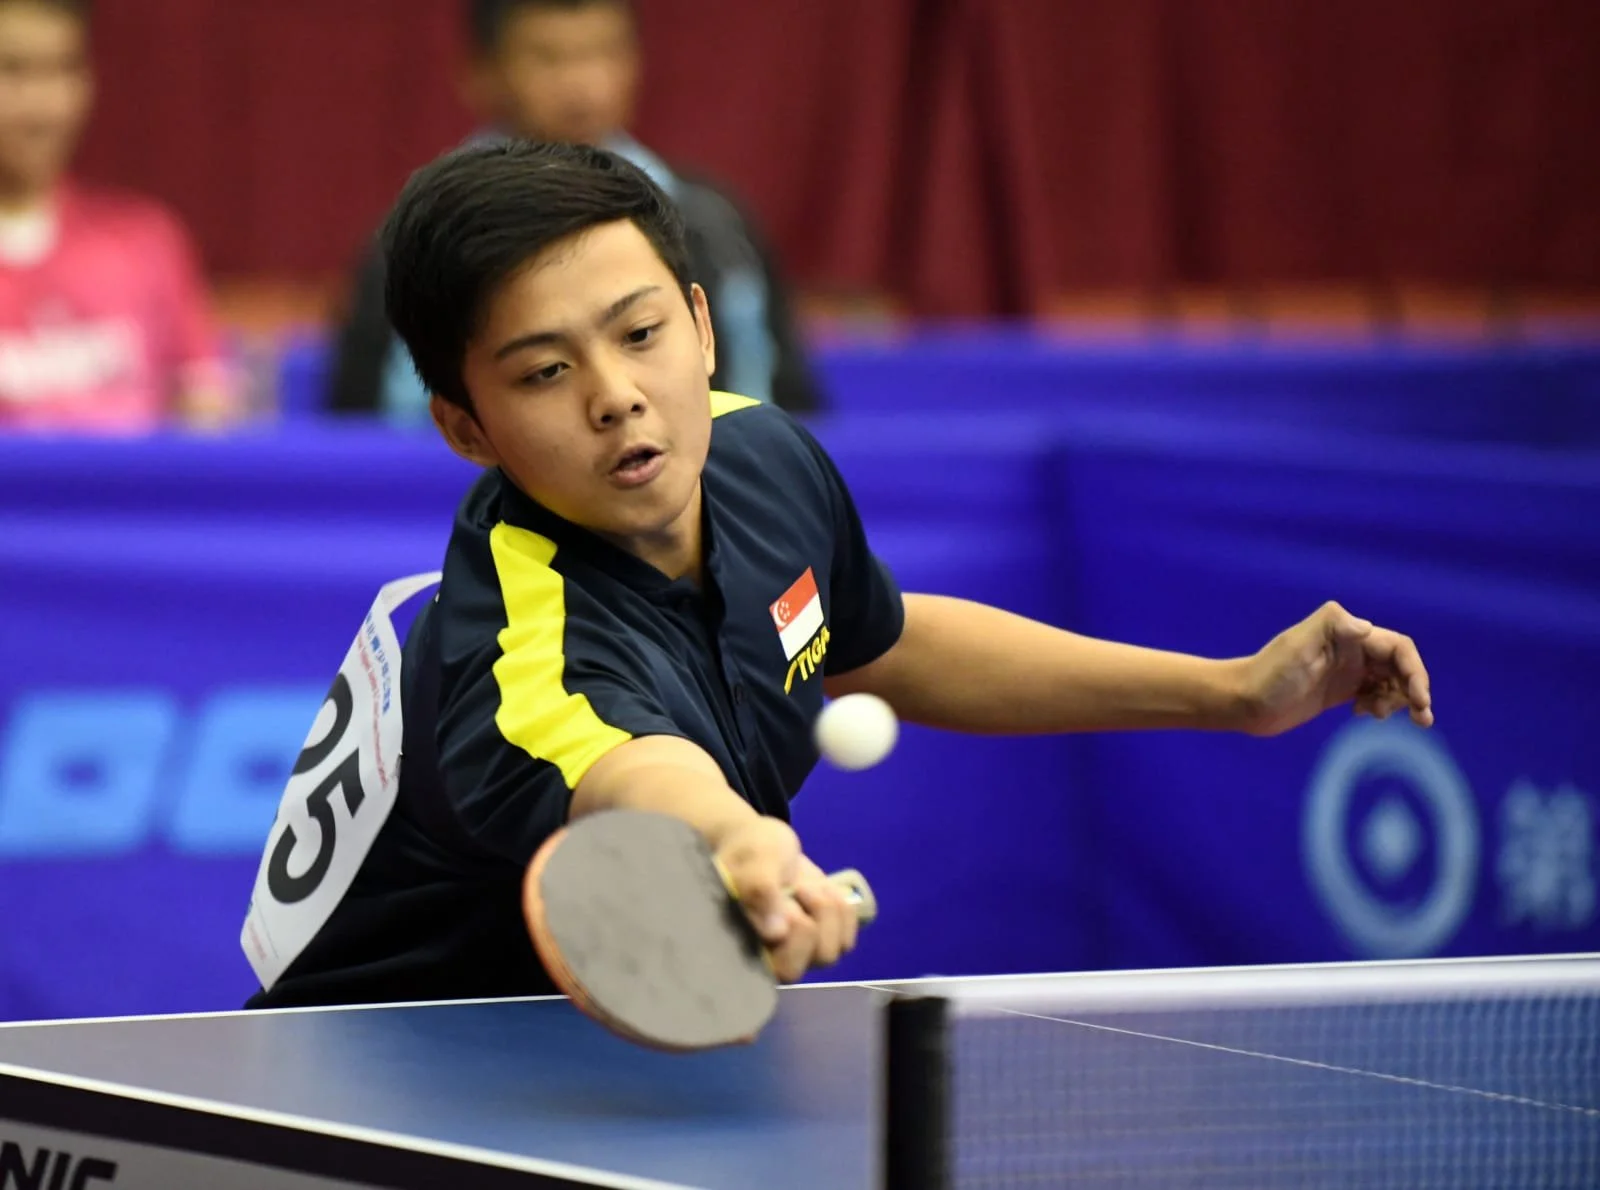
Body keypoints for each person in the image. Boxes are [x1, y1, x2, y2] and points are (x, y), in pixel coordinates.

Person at [242, 140, 1433, 1009]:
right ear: (465, 428)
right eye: (545, 372)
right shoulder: (521, 643)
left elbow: (882, 639)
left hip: (593, 1051)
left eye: (641, 332)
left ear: (705, 328)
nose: (616, 393)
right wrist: (741, 843)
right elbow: (636, 776)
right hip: (383, 1070)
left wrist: (1230, 691)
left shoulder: (758, 453)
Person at [325, 0, 822, 425]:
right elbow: (363, 424)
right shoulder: (418, 237)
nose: (582, 85)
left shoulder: (713, 224)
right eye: (548, 58)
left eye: (603, 52)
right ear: (482, 74)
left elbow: (789, 406)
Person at [0, 0, 234, 432]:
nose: (41, 107)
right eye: (13, 70)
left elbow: (207, 417)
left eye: (62, 70)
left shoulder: (147, 242)